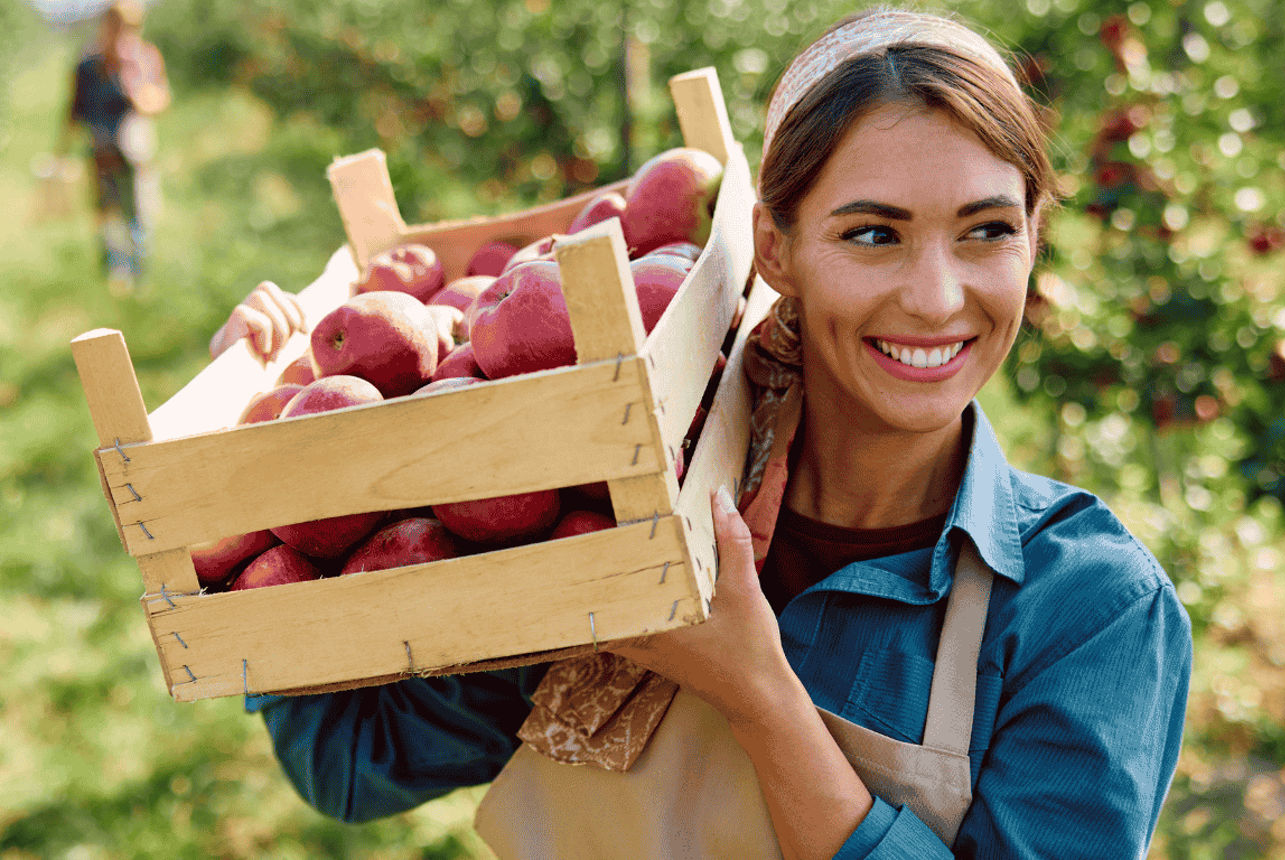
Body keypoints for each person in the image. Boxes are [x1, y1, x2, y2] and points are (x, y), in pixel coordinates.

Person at [213, 8, 1191, 857]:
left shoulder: (1087, 613)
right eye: (871, 232)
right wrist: (263, 464)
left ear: (1033, 238)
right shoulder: (629, 486)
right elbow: (356, 765)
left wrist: (756, 690)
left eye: (987, 230)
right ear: (776, 246)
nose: (937, 296)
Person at [59, 0, 170, 294]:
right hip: (100, 152)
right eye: (116, 26)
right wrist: (61, 152)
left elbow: (161, 99)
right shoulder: (87, 64)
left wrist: (139, 92)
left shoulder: (144, 59)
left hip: (134, 152)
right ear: (104, 27)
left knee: (138, 211)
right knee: (106, 213)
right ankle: (115, 272)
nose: (122, 34)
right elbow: (74, 109)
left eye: (130, 28)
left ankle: (139, 273)